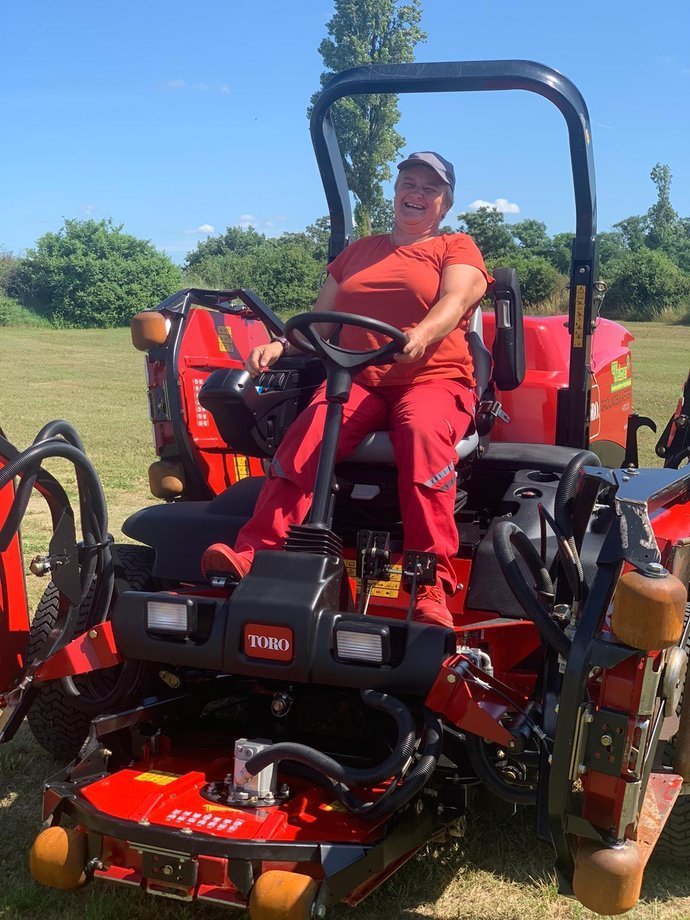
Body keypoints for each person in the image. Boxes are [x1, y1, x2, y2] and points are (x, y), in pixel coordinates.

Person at [202, 151, 492, 627]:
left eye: (429, 188)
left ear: (445, 203)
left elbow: (456, 298)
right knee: (310, 432)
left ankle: (430, 585)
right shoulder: (357, 254)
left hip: (431, 378)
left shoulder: (455, 247)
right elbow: (321, 324)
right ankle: (254, 553)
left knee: (421, 435)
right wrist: (279, 347)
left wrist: (421, 335)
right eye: (409, 183)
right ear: (395, 191)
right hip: (360, 377)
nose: (416, 194)